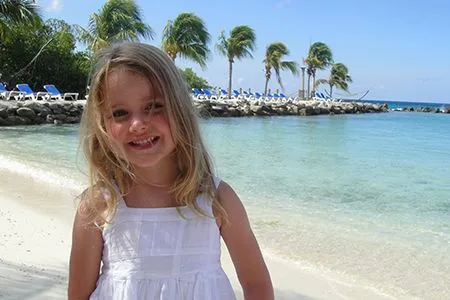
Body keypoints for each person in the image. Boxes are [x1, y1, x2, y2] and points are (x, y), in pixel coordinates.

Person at [68, 42, 273, 300]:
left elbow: (256, 284)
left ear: (180, 109)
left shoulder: (216, 199)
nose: (138, 124)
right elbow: (78, 295)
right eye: (119, 113)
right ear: (102, 126)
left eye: (154, 107)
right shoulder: (97, 207)